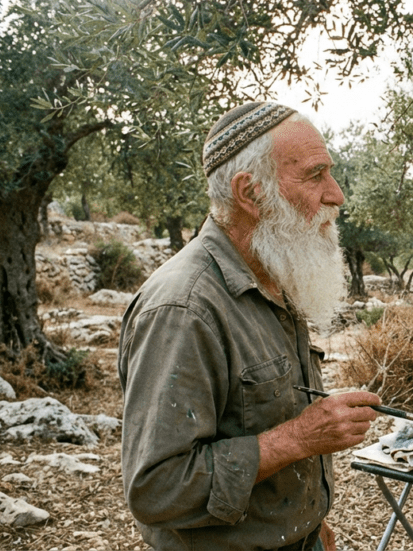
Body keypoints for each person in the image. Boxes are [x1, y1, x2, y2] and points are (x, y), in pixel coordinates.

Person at [118, 102, 382, 551]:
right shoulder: (184, 309)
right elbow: (156, 489)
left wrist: (310, 526)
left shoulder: (272, 274)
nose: (336, 194)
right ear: (250, 192)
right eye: (315, 175)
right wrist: (300, 438)